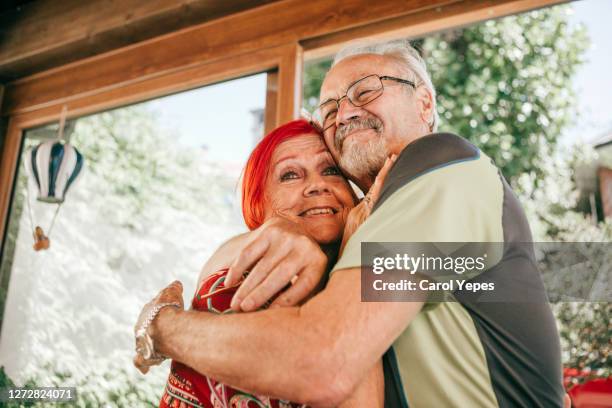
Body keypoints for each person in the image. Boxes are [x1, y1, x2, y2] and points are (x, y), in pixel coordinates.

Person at [135, 40, 566, 407]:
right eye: (330, 108)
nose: (343, 114)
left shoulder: (439, 160)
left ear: (425, 103)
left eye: (365, 91)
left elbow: (326, 361)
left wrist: (160, 325)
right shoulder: (293, 261)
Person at [136, 119, 392, 407]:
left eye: (331, 170)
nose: (317, 185)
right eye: (290, 175)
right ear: (259, 205)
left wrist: (356, 250)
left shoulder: (375, 275)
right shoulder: (241, 269)